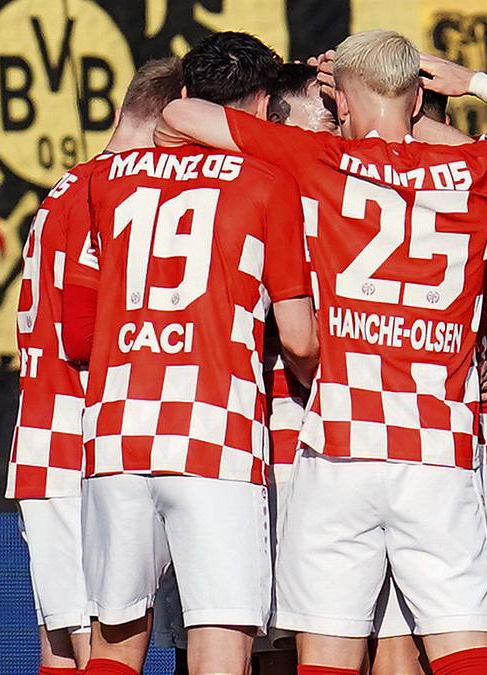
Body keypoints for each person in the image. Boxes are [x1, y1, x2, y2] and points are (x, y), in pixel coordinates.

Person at [158, 27, 487, 675]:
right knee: (460, 645)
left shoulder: (316, 158)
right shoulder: (481, 170)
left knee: (328, 650)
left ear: (341, 99)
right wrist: (472, 81)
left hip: (339, 444)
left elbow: (179, 111)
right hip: (437, 452)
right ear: (419, 99)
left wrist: (333, 98)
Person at [63, 31, 318, 675]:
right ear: (262, 106)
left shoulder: (107, 179)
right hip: (214, 432)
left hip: (118, 430)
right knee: (220, 635)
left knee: (115, 637)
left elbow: (81, 328)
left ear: (184, 95)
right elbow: (298, 338)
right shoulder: (267, 181)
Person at [8, 56, 183, 675]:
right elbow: (84, 337)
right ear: (173, 118)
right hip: (79, 441)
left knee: (63, 643)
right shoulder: (113, 191)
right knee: (93, 643)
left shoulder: (67, 187)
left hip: (51, 434)